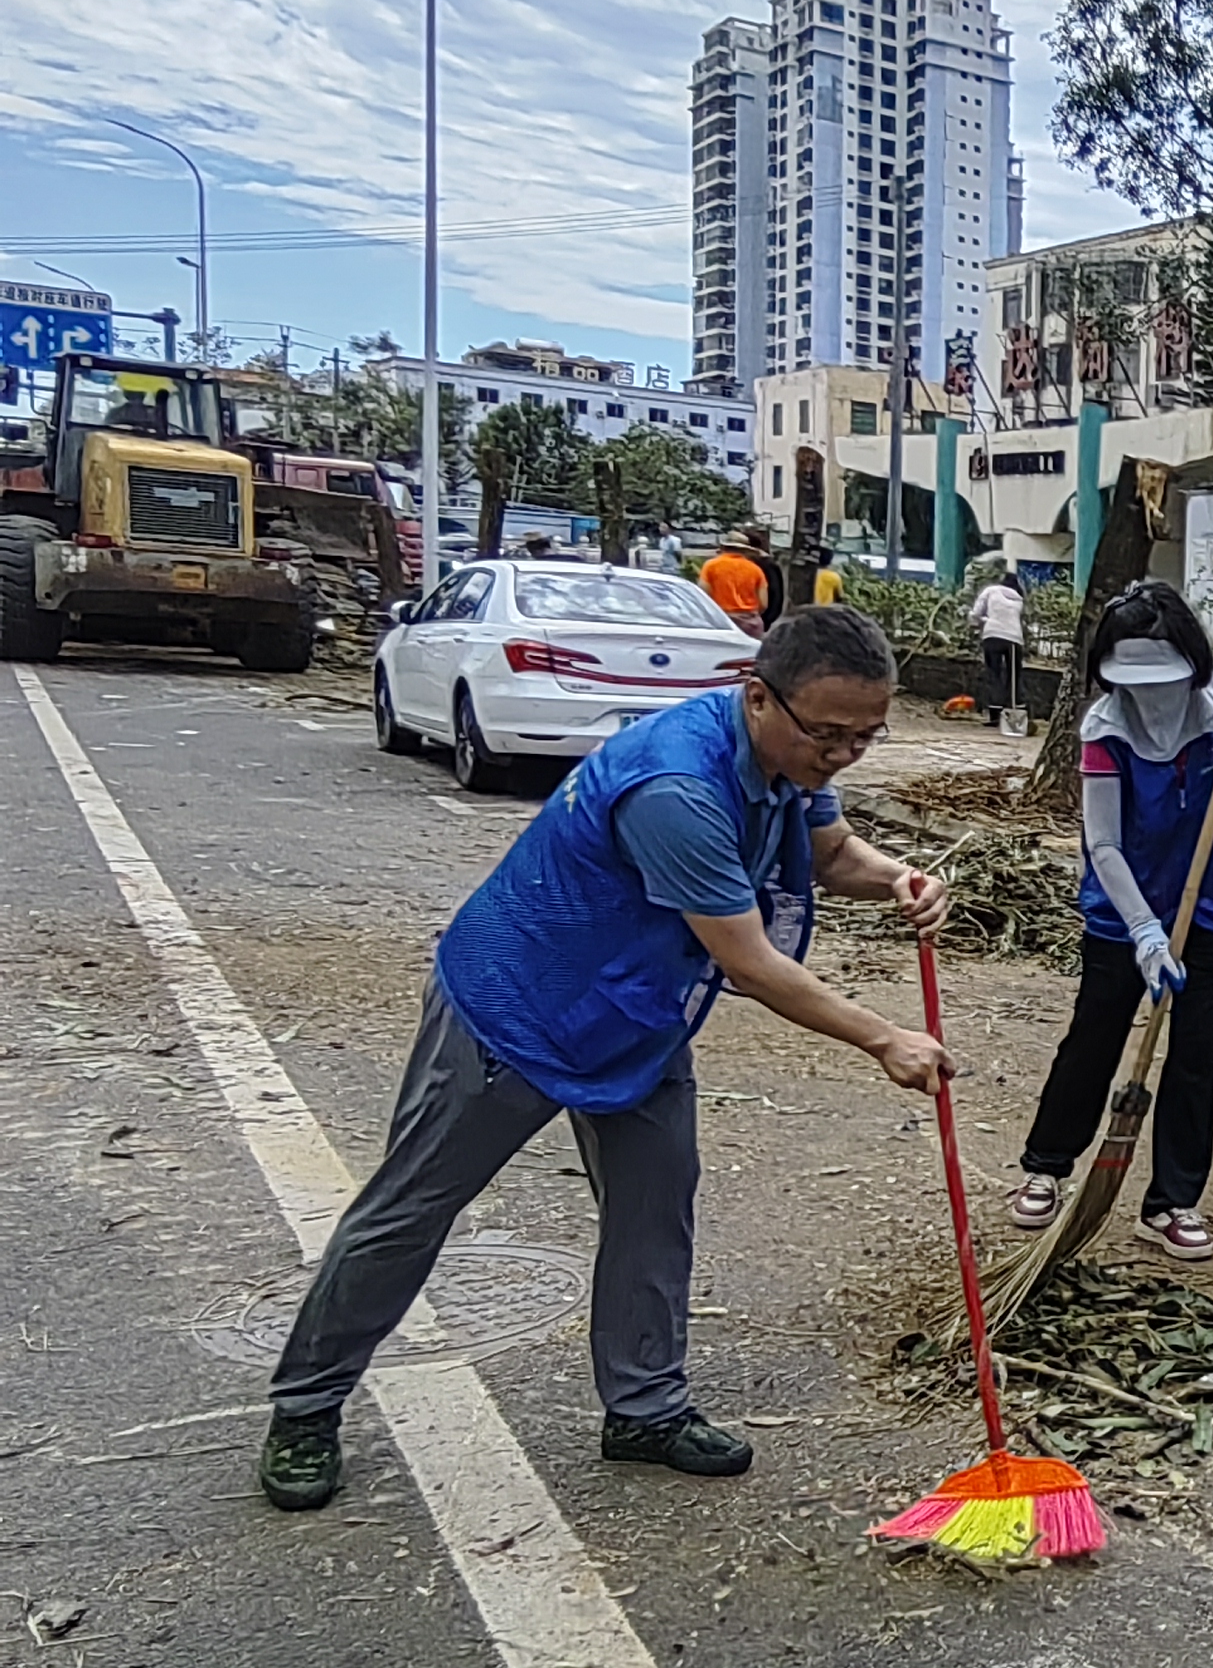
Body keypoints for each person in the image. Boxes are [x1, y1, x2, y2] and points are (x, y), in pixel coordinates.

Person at [257, 606, 955, 1512]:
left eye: (867, 735)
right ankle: (306, 1408)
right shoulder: (678, 788)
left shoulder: (798, 753)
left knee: (654, 1207)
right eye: (829, 733)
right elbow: (747, 959)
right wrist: (883, 1037)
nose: (845, 754)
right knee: (411, 1210)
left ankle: (645, 1409)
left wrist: (900, 876)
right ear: (756, 698)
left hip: (639, 1008)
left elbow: (828, 852)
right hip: (520, 1008)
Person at [1008, 580, 1213, 1260]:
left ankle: (1174, 1200)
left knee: (1195, 1052)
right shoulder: (1105, 727)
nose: (1150, 696)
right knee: (1093, 1035)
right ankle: (1047, 1166)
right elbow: (1102, 844)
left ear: (1192, 662)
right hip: (1124, 905)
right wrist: (1145, 932)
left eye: (1164, 679)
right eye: (1134, 679)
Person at [969, 568, 1026, 726]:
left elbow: (976, 613)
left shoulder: (991, 591)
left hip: (992, 636)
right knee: (1013, 677)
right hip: (1015, 638)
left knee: (994, 674)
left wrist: (981, 621)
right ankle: (1015, 716)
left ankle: (995, 715)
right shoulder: (1019, 599)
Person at [700, 529, 772, 636]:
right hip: (749, 623)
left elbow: (703, 595)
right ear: (745, 550)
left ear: (724, 547)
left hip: (720, 621)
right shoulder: (755, 569)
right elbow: (763, 604)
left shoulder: (711, 566)